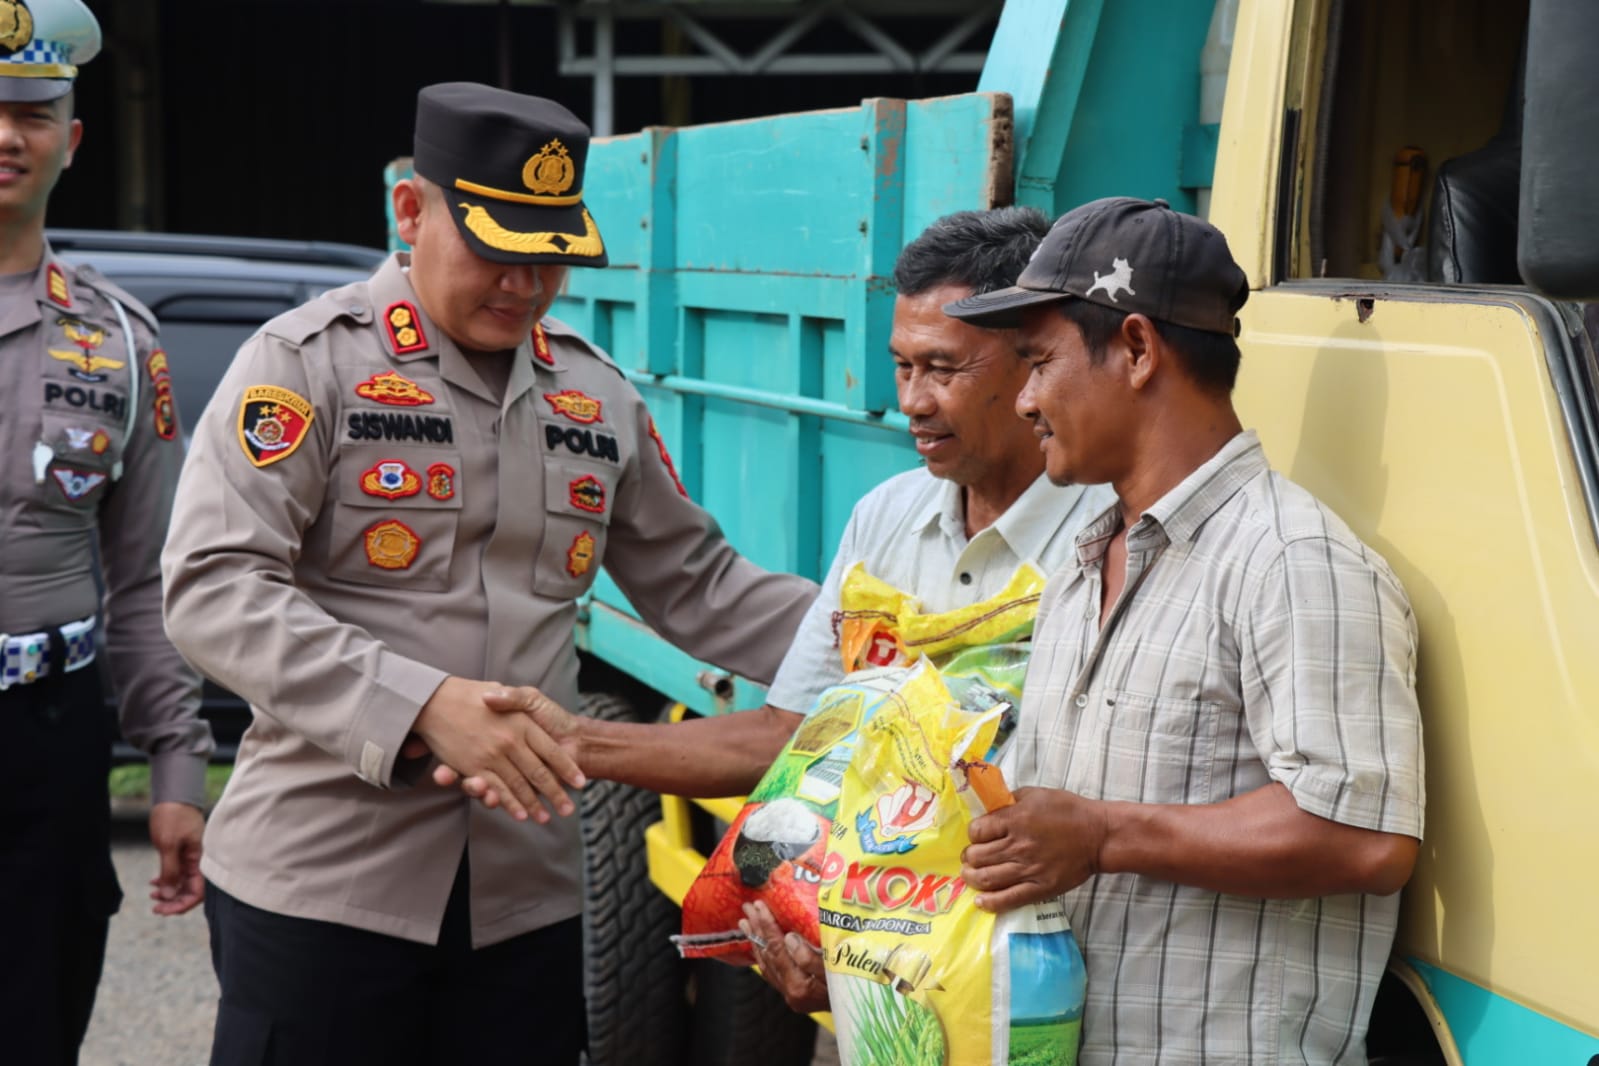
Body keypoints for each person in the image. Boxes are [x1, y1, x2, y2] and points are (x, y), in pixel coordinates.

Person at [160, 83, 816, 1066]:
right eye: (496, 248)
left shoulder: (591, 394)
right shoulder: (307, 367)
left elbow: (701, 585)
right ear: (411, 212)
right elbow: (213, 588)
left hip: (524, 902)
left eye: (550, 256)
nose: (525, 282)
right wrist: (420, 703)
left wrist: (886, 633)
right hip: (324, 885)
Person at [441, 206, 1115, 1012]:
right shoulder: (887, 518)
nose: (912, 402)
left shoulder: (1107, 532)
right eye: (901, 367)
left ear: (1035, 363)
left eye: (943, 369)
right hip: (908, 984)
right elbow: (793, 734)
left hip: (1053, 982)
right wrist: (567, 738)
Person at [944, 197, 1425, 1064]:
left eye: (1038, 362)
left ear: (1135, 349)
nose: (1021, 401)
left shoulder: (1289, 560)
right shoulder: (1085, 560)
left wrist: (1102, 836)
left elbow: (1364, 839)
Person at [0, 2, 214, 1063]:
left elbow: (142, 584)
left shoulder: (121, 343)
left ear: (70, 139)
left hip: (48, 742)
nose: (5, 133)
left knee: (38, 1025)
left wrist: (176, 767)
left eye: (32, 111)